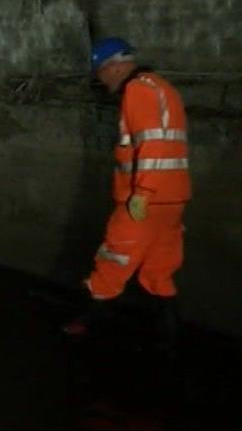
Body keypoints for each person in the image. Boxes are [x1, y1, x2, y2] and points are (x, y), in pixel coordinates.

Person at [63, 38, 191, 350]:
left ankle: (87, 330)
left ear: (116, 65)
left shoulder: (137, 90)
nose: (101, 79)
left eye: (101, 71)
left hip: (143, 202)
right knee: (158, 273)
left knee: (110, 265)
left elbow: (153, 143)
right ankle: (169, 344)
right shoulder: (163, 88)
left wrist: (142, 192)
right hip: (172, 200)